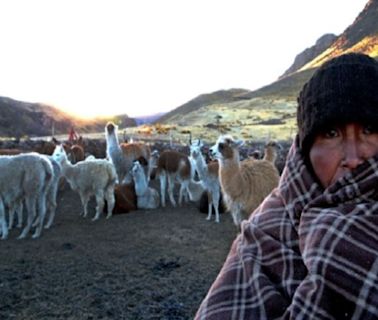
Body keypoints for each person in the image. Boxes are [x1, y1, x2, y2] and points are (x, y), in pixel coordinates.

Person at [195, 52, 378, 319]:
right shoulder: (264, 236)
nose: (352, 158)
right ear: (306, 148)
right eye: (331, 134)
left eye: (369, 130)